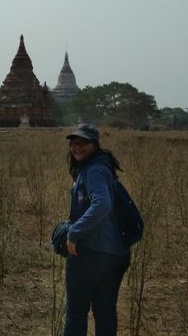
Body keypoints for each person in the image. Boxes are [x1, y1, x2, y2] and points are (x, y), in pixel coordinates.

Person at [63, 123, 130, 336]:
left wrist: (74, 233)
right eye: (74, 143)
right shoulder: (101, 166)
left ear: (95, 145)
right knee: (105, 311)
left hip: (92, 252)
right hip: (116, 252)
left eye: (84, 143)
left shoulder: (95, 170)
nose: (77, 147)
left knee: (76, 312)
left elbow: (102, 204)